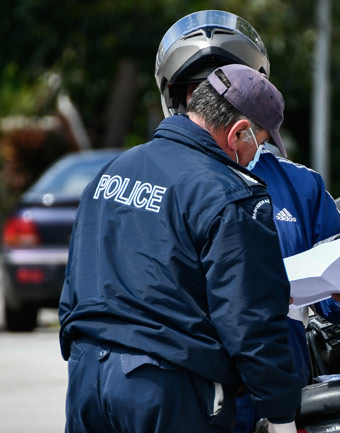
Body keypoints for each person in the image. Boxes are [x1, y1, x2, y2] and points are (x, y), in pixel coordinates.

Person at [154, 11, 340, 432]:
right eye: (201, 90)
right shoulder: (157, 177)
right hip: (190, 392)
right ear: (180, 99)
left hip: (277, 391)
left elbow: (338, 282)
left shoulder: (300, 185)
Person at [59, 64, 303, 433]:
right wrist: (281, 412)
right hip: (167, 387)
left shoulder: (112, 172)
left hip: (87, 380)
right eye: (261, 142)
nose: (256, 156)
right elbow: (251, 322)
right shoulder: (229, 195)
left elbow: (75, 280)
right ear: (239, 132)